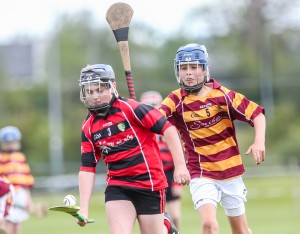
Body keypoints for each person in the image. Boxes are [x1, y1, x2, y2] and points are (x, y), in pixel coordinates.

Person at [159, 43, 266, 234]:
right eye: (184, 68)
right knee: (209, 224)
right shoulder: (175, 100)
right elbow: (155, 119)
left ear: (205, 69)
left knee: (240, 230)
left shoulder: (223, 95)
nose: (189, 73)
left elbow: (257, 114)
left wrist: (259, 142)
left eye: (194, 67)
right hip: (201, 173)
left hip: (231, 172)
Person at [76, 64, 190, 234]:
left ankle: (165, 227)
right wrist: (84, 208)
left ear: (112, 86)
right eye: (90, 91)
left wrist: (180, 165)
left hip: (149, 183)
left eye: (99, 90)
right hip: (118, 185)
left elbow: (168, 129)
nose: (95, 96)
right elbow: (87, 168)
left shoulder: (131, 108)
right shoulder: (88, 127)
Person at [140, 91, 183, 229]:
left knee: (175, 216)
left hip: (169, 175)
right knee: (155, 218)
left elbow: (178, 156)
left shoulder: (168, 129)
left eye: (154, 105)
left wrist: (177, 184)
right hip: (151, 176)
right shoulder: (140, 130)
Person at [0, 126, 35, 234]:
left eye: (13, 142)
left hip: (20, 195)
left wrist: (29, 201)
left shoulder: (21, 157)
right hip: (7, 195)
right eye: (8, 143)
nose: (11, 145)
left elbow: (26, 182)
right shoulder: (1, 158)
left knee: (17, 222)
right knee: (8, 221)